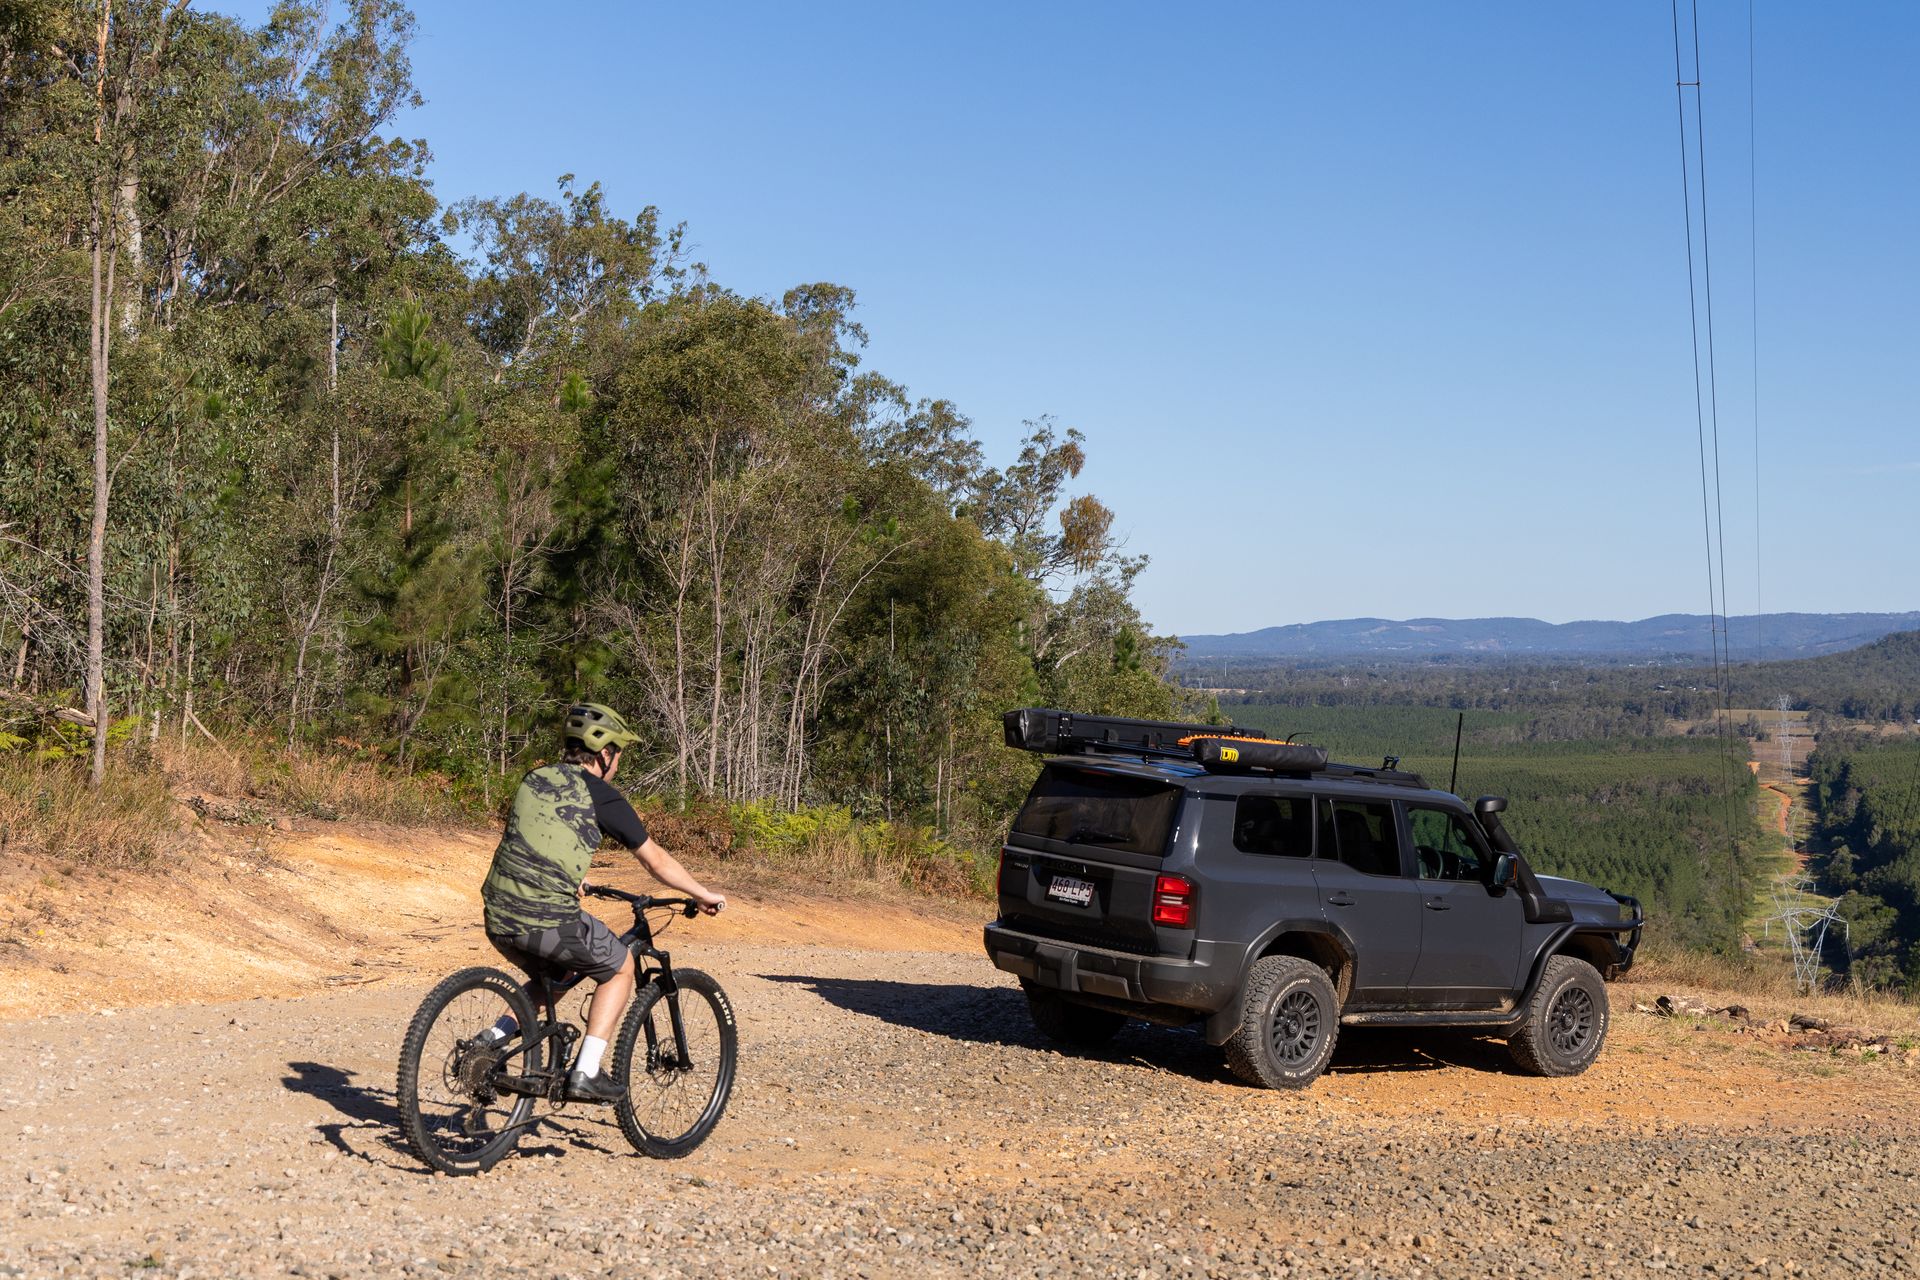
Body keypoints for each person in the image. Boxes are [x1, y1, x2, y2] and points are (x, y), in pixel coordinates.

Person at [479, 701, 725, 1103]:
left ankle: (489, 1041)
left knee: (559, 975)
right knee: (620, 967)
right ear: (604, 752)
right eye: (618, 755)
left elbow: (538, 835)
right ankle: (587, 1071)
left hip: (498, 913)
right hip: (545, 917)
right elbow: (655, 859)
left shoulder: (535, 778)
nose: (618, 765)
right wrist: (701, 893)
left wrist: (571, 876)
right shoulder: (602, 795)